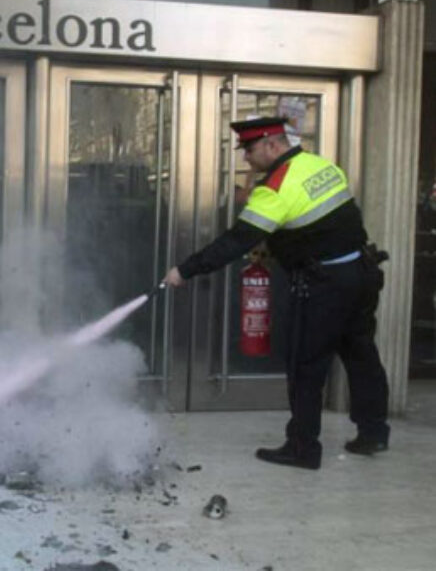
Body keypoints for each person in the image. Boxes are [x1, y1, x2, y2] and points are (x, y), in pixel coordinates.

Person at [163, 116, 390, 470]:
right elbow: (322, 222)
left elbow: (236, 241)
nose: (246, 159)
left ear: (272, 144)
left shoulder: (274, 187)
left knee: (305, 365)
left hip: (325, 286)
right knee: (361, 353)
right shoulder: (321, 165)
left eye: (250, 150)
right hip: (361, 273)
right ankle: (374, 432)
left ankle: (302, 448)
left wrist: (184, 270)